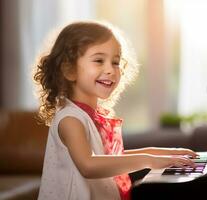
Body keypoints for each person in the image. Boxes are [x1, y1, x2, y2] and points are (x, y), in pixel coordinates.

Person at [33, 20, 197, 200]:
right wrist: (149, 160)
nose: (110, 69)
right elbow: (88, 165)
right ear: (69, 69)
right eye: (99, 60)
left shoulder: (88, 115)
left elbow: (108, 157)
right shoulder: (70, 119)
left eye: (116, 62)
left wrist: (164, 153)